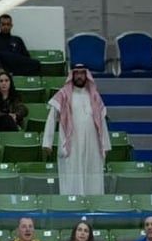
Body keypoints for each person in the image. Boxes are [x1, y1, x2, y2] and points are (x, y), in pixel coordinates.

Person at [42, 64, 111, 195]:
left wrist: (105, 145)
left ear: (86, 75)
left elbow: (102, 122)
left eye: (82, 73)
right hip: (71, 144)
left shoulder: (94, 96)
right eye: (77, 73)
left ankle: (93, 207)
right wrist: (47, 142)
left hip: (93, 145)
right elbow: (51, 118)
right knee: (72, 175)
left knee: (93, 176)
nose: (79, 76)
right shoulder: (63, 95)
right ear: (72, 75)